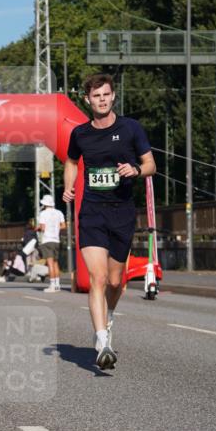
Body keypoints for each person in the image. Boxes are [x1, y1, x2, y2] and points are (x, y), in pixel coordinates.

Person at [63, 73, 156, 371]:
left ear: (113, 96)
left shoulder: (130, 128)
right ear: (87, 100)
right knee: (98, 279)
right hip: (92, 212)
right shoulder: (80, 134)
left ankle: (109, 314)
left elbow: (151, 164)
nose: (101, 100)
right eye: (96, 96)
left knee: (116, 281)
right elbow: (69, 161)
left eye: (106, 95)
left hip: (122, 212)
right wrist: (69, 185)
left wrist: (136, 170)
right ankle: (102, 341)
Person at [37, 194, 66, 292]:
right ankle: (57, 285)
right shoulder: (59, 212)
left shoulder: (43, 213)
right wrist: (56, 228)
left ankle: (52, 285)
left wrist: (38, 228)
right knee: (55, 263)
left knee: (50, 264)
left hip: (47, 240)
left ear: (44, 204)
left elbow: (42, 228)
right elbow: (63, 226)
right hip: (56, 240)